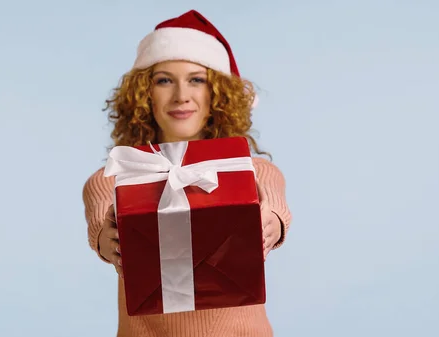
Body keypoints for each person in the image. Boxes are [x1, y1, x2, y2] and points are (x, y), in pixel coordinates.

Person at [82, 9, 291, 337]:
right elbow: (100, 219)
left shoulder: (253, 171)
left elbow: (274, 203)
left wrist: (271, 223)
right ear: (144, 94)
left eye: (197, 79)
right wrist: (105, 240)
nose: (181, 95)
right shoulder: (113, 177)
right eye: (164, 80)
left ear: (217, 94)